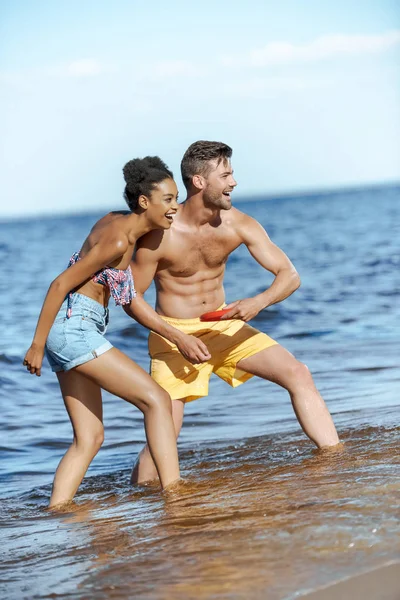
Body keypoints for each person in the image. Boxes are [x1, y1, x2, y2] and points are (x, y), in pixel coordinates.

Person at [126, 141, 341, 485]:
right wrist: (178, 337)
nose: (234, 182)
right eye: (225, 174)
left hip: (224, 326)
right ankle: (139, 500)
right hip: (174, 336)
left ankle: (336, 462)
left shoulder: (238, 223)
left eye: (232, 173)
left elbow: (290, 276)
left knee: (298, 374)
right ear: (199, 182)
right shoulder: (160, 234)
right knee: (165, 426)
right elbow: (130, 297)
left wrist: (258, 302)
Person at [23, 156, 188, 507]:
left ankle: (57, 511)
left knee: (90, 437)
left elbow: (126, 298)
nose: (176, 207)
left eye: (177, 198)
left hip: (73, 328)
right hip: (75, 328)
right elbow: (59, 284)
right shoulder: (116, 241)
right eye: (169, 199)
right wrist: (36, 346)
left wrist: (175, 335)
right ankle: (175, 494)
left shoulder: (117, 222)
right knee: (157, 400)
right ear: (145, 202)